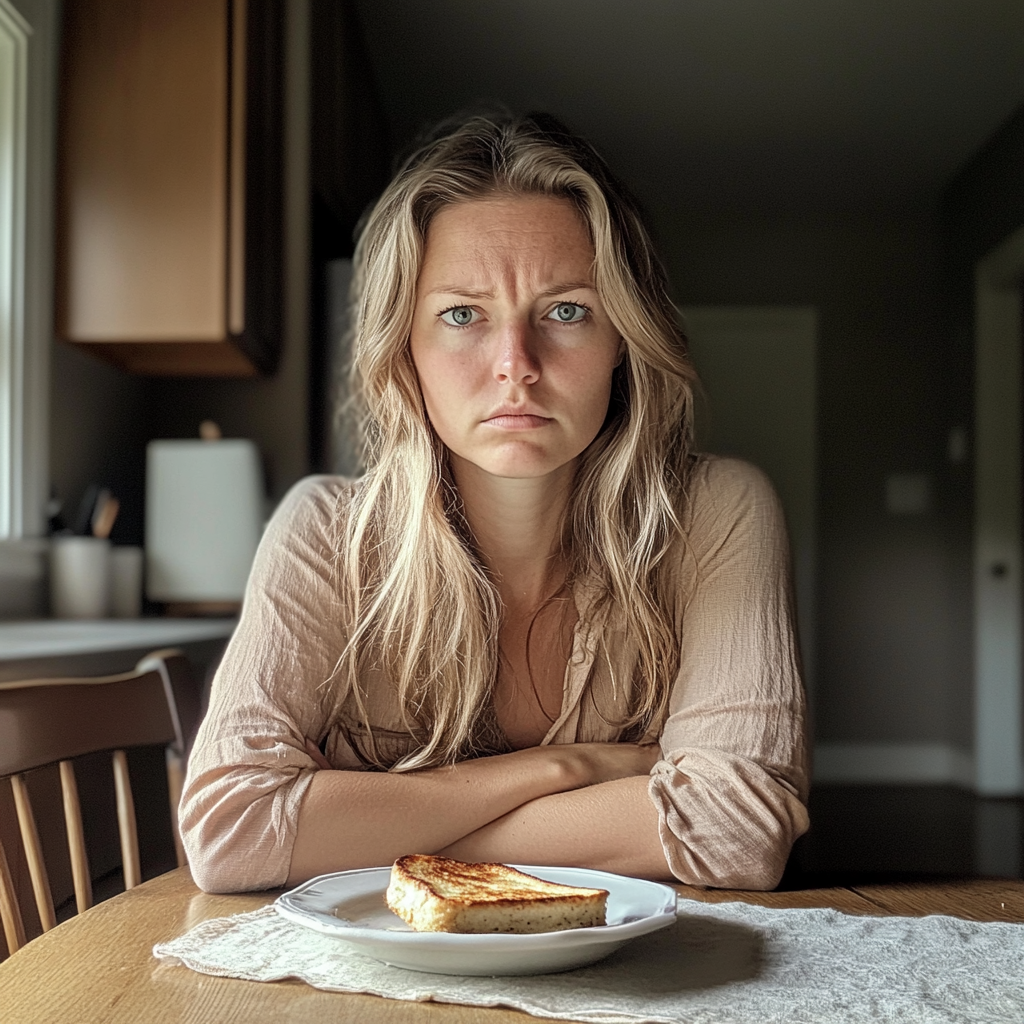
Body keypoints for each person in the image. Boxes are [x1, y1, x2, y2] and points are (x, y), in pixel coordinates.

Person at [179, 113, 809, 894]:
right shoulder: (326, 531)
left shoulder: (717, 512)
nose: (517, 365)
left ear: (624, 339)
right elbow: (232, 834)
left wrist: (359, 827)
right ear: (404, 347)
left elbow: (735, 833)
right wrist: (563, 769)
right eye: (462, 315)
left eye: (567, 310)